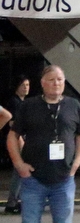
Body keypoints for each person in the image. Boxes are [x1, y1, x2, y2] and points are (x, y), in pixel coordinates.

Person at [6, 66, 80, 223]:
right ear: (42, 83)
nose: (56, 83)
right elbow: (12, 136)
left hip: (64, 179)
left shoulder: (74, 105)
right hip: (33, 179)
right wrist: (19, 164)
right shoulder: (28, 106)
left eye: (59, 79)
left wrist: (76, 163)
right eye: (51, 80)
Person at [4, 76, 29, 214]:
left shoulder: (22, 102)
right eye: (23, 85)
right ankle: (12, 202)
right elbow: (12, 124)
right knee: (19, 171)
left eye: (27, 85)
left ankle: (16, 200)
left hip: (21, 140)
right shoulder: (14, 103)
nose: (25, 87)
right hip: (17, 141)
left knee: (21, 171)